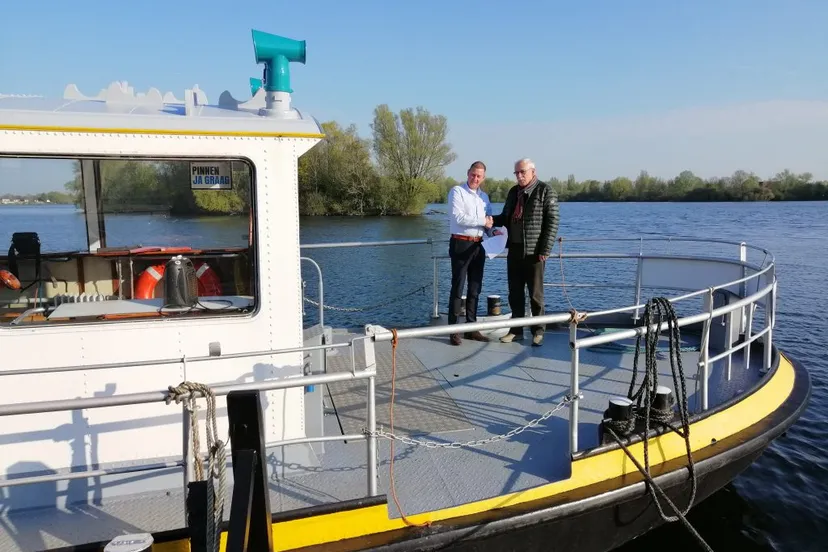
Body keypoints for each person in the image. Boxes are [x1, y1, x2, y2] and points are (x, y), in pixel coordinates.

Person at [491, 158, 560, 346]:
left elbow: (552, 222)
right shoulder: (514, 192)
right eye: (516, 173)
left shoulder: (545, 191)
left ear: (533, 172)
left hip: (534, 252)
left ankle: (538, 331)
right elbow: (506, 217)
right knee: (514, 293)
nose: (519, 176)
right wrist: (491, 221)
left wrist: (545, 249)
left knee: (536, 295)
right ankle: (516, 330)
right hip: (514, 250)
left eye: (523, 172)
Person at [446, 161, 494, 346]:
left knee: (475, 288)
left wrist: (494, 231)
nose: (475, 178)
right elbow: (458, 218)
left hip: (479, 245)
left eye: (479, 176)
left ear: (483, 178)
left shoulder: (484, 197)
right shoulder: (457, 192)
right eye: (473, 174)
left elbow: (488, 222)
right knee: (457, 287)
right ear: (468, 173)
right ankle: (453, 330)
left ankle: (471, 328)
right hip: (461, 244)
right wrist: (484, 221)